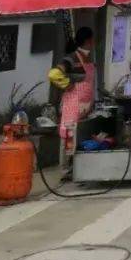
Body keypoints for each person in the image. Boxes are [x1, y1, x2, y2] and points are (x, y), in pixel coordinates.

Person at [47, 27, 96, 180]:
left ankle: (77, 166)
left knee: (80, 133)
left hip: (85, 104)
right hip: (73, 102)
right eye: (92, 40)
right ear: (88, 41)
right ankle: (65, 169)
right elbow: (54, 74)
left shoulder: (88, 58)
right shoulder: (72, 58)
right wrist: (67, 84)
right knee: (67, 134)